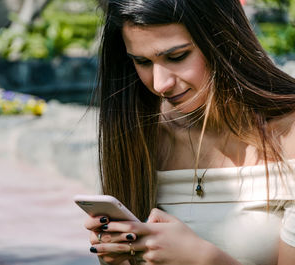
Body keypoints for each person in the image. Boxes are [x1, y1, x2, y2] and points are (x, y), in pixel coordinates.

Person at [82, 0, 295, 264]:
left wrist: (203, 258)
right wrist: (120, 257)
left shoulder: (290, 135)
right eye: (142, 61)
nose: (160, 84)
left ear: (223, 39)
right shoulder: (145, 136)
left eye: (177, 56)